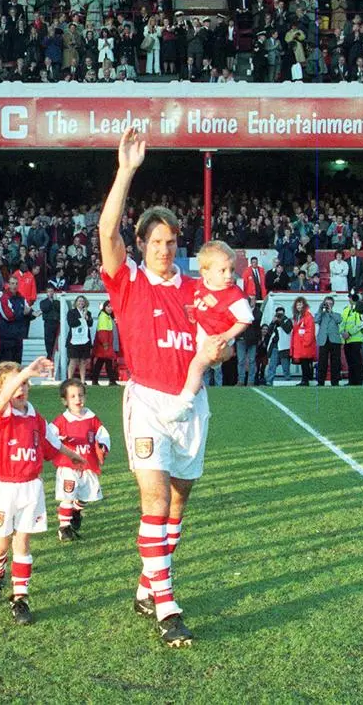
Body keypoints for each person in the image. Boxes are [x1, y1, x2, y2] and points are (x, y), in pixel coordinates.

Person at [97, 128, 223, 647]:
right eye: (156, 242)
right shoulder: (128, 280)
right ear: (143, 245)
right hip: (146, 400)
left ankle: (149, 584)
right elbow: (107, 232)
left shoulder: (197, 290)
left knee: (176, 505)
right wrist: (126, 170)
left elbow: (218, 340)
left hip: (191, 405)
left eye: (172, 242)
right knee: (153, 499)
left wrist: (219, 350)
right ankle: (167, 608)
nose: (165, 249)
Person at [0, 358, 85, 625]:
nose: (21, 388)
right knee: (0, 544)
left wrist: (74, 456)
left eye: (25, 383)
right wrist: (25, 371)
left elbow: (52, 443)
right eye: (15, 384)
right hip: (4, 488)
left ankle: (20, 599)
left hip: (31, 488)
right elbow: (4, 398)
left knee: (22, 543)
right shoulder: (0, 413)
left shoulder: (34, 416)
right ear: (2, 389)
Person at [161, 241, 251, 420]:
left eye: (231, 270)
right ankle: (199, 407)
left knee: (196, 367)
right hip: (200, 332)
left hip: (215, 339)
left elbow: (245, 319)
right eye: (223, 270)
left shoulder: (234, 295)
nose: (229, 275)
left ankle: (183, 405)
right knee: (185, 363)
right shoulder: (199, 285)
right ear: (205, 272)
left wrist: (225, 337)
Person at [49, 379, 111, 542]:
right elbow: (48, 435)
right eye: (73, 396)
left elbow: (103, 434)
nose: (78, 399)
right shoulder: (61, 420)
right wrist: (58, 439)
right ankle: (64, 527)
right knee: (67, 495)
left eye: (81, 395)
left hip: (88, 464)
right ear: (65, 400)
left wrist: (103, 446)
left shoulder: (92, 419)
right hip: (68, 464)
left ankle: (76, 510)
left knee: (86, 495)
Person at [0, 275, 35, 364]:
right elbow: (9, 316)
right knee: (7, 366)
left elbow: (29, 311)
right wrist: (23, 313)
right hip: (7, 338)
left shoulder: (21, 298)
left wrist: (33, 315)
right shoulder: (3, 299)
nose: (15, 286)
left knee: (17, 365)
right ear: (8, 285)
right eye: (12, 283)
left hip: (18, 336)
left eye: (16, 283)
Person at [65, 295, 94, 382]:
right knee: (73, 360)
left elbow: (90, 324)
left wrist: (86, 317)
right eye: (79, 301)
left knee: (83, 361)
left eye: (82, 301)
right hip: (74, 340)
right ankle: (69, 380)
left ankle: (82, 380)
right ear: (76, 303)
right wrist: (81, 318)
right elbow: (72, 323)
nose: (81, 303)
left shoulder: (88, 313)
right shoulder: (71, 312)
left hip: (84, 340)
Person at [90, 301, 119, 386]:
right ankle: (111, 381)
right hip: (105, 344)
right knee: (107, 362)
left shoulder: (107, 316)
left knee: (101, 362)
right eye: (108, 306)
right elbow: (102, 331)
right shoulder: (104, 317)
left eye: (111, 307)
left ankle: (95, 380)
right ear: (105, 307)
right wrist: (105, 343)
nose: (110, 308)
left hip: (105, 344)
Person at [315, 297, 343, 386]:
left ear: (333, 305)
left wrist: (330, 312)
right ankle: (320, 382)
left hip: (335, 340)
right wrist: (320, 309)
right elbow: (316, 320)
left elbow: (339, 320)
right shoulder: (321, 314)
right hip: (323, 340)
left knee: (335, 362)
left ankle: (335, 382)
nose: (328, 305)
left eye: (330, 304)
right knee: (322, 362)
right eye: (326, 303)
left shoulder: (336, 314)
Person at [341, 294, 363, 385]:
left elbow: (360, 324)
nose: (351, 299)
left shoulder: (359, 309)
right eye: (350, 297)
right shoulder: (346, 309)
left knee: (357, 361)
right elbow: (342, 323)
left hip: (356, 339)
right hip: (346, 340)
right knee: (350, 361)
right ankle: (351, 381)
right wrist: (342, 333)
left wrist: (349, 333)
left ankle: (359, 380)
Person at [290, 296, 316, 385]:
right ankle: (304, 380)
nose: (299, 306)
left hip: (304, 344)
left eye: (300, 304)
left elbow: (310, 330)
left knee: (305, 363)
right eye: (297, 305)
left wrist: (306, 342)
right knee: (303, 363)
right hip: (300, 344)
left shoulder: (308, 316)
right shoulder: (297, 316)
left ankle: (305, 380)